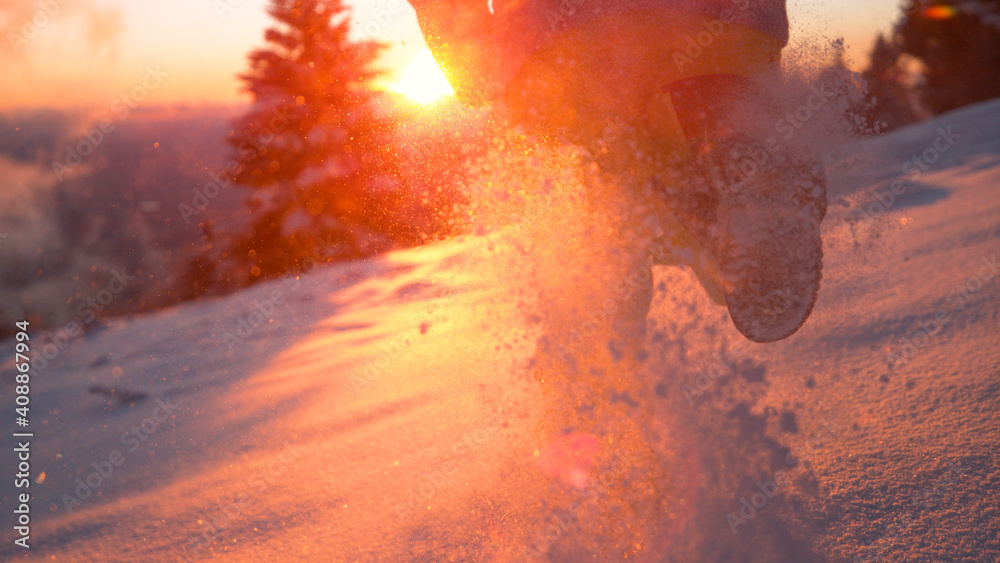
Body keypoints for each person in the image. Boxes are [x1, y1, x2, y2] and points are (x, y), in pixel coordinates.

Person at [409, 0, 827, 343]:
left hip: (560, 50)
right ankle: (739, 165)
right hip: (722, 25)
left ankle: (604, 394)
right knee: (718, 156)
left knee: (600, 224)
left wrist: (469, 62)